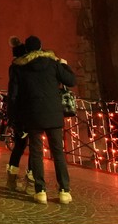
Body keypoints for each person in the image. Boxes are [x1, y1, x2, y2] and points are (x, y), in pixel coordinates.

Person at [14, 35, 78, 204]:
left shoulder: (22, 67)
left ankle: (40, 191)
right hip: (53, 114)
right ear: (42, 47)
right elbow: (71, 80)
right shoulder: (54, 64)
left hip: (33, 114)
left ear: (27, 50)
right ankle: (64, 191)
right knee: (58, 153)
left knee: (36, 152)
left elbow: (18, 94)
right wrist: (65, 65)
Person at [4, 36, 30, 191]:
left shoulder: (15, 68)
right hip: (31, 111)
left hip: (19, 111)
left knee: (19, 145)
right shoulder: (29, 68)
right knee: (33, 146)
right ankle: (32, 179)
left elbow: (13, 93)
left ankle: (12, 176)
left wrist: (12, 115)